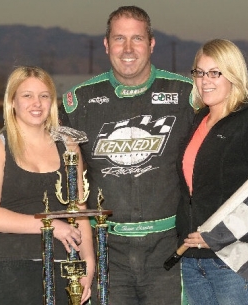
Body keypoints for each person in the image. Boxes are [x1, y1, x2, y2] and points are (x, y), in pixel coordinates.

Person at [60, 6, 195, 305]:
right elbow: (57, 178)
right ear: (106, 44)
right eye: (120, 39)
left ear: (151, 43)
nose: (128, 48)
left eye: (137, 38)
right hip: (108, 252)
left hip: (170, 251)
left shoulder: (187, 95)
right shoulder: (77, 103)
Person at [0, 66, 94, 305]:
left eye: (44, 95)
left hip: (65, 270)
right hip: (13, 272)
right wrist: (50, 227)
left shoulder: (69, 147)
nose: (36, 103)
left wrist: (88, 262)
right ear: (12, 102)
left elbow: (80, 210)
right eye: (27, 95)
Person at [176, 39, 248, 305]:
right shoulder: (199, 120)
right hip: (193, 260)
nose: (204, 81)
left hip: (236, 262)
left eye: (215, 73)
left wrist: (223, 235)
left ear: (233, 75)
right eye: (199, 72)